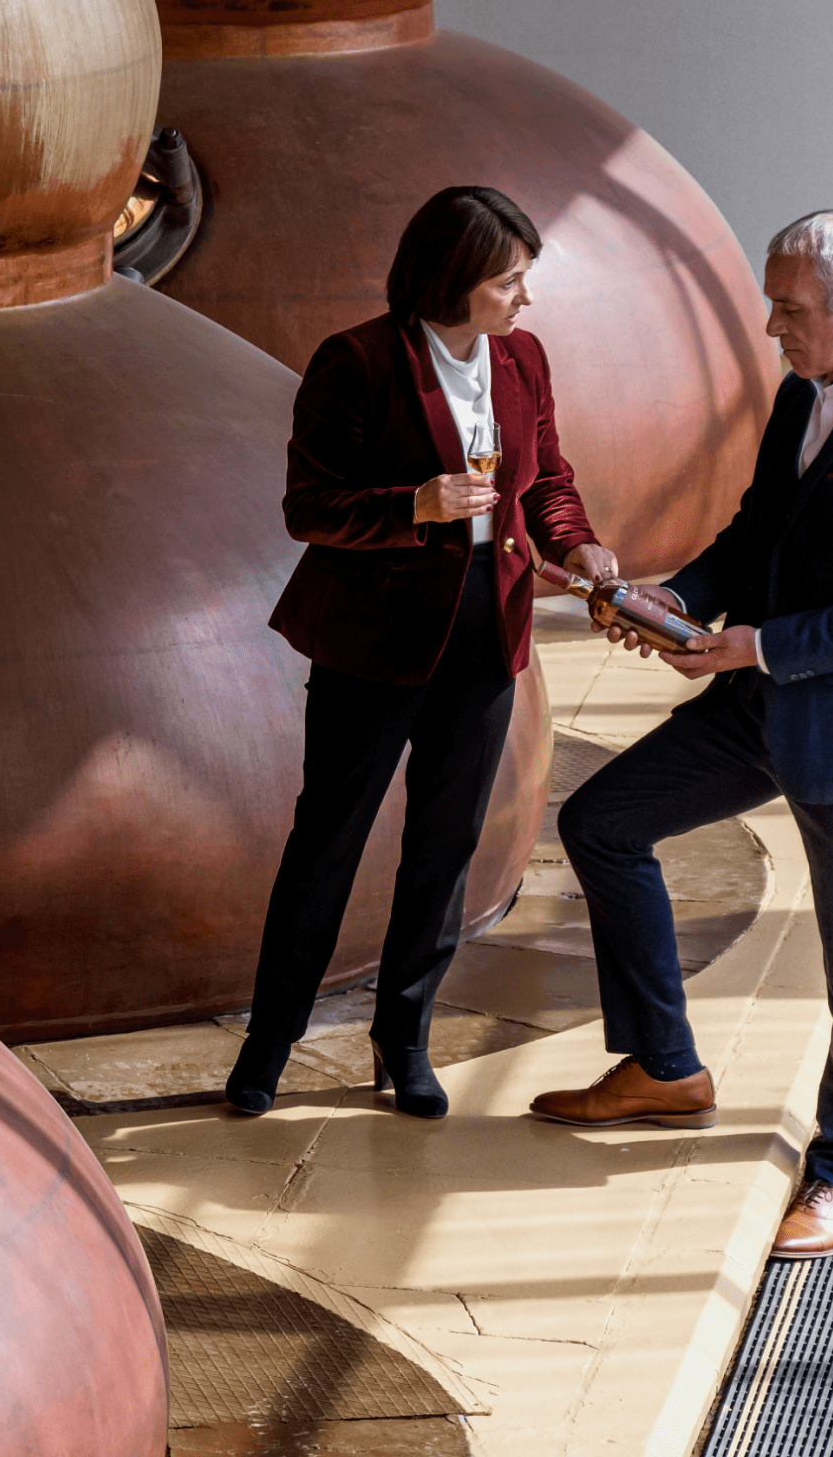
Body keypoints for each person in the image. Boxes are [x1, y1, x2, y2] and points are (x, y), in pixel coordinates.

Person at [531, 210, 833, 1258]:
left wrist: (751, 648)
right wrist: (673, 598)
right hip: (763, 703)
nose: (773, 326)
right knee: (604, 821)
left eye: (789, 308)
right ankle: (663, 1065)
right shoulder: (800, 397)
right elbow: (753, 536)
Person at [227, 186, 614, 1120]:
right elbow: (309, 509)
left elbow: (547, 480)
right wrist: (415, 506)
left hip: (488, 633)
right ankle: (269, 1043)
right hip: (374, 642)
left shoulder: (522, 359)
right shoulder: (356, 362)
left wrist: (579, 545)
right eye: (509, 282)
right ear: (454, 281)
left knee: (444, 847)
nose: (524, 300)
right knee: (328, 844)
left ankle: (405, 1039)